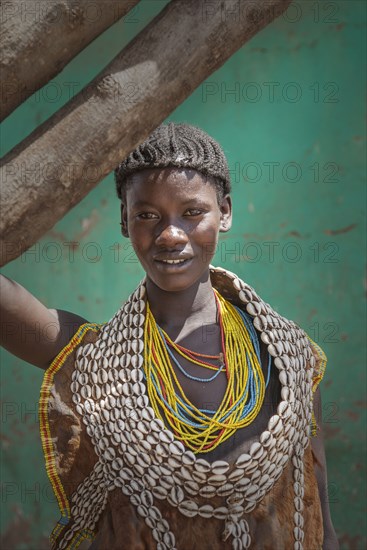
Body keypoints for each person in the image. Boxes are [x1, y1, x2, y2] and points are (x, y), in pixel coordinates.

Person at [0, 123, 338, 550]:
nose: (170, 234)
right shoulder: (95, 358)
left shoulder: (288, 355)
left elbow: (315, 483)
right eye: (146, 215)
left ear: (226, 212)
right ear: (125, 221)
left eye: (192, 212)